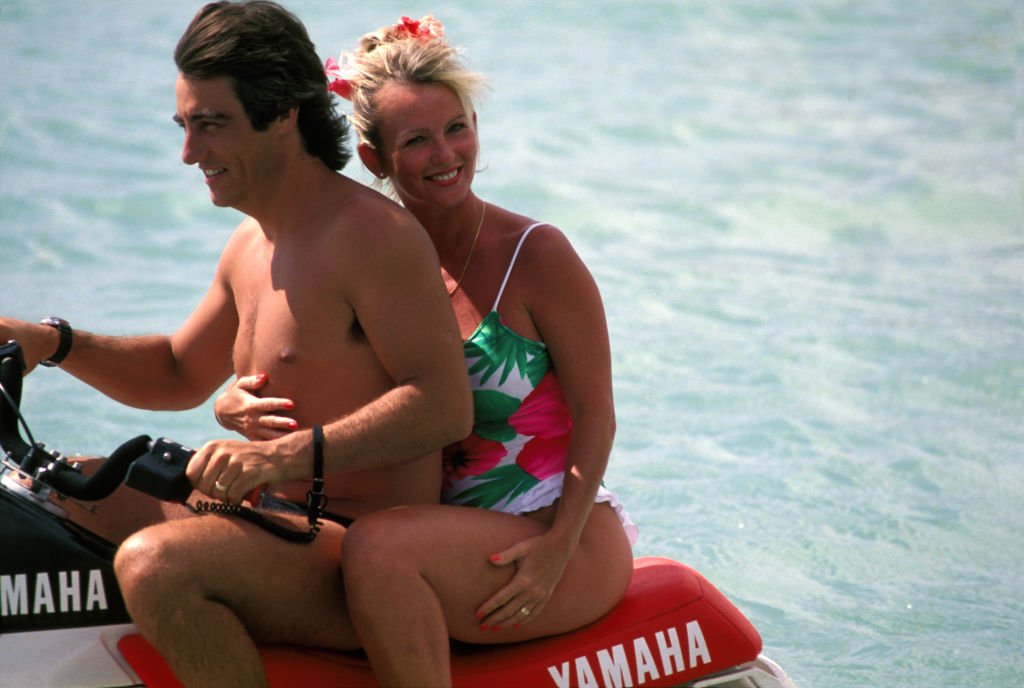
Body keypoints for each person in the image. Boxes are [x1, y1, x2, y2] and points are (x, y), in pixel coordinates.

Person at [0, 3, 472, 687]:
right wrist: (49, 341)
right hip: (268, 521)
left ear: (282, 112)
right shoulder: (253, 242)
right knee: (51, 493)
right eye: (185, 126)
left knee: (156, 566)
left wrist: (278, 456)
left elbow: (442, 406)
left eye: (210, 125)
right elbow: (175, 373)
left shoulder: (373, 237)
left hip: (357, 551)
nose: (189, 153)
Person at [214, 14, 637, 686]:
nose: (446, 154)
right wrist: (236, 399)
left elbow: (597, 414)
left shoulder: (538, 255)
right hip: (439, 536)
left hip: (555, 530)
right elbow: (311, 372)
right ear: (376, 159)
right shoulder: (373, 259)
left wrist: (557, 548)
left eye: (457, 128)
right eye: (417, 140)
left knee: (379, 549)